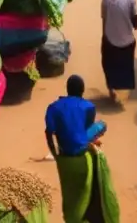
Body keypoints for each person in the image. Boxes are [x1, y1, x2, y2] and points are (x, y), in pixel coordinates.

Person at [44, 75, 119, 223]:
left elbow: (49, 132)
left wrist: (55, 154)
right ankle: (92, 142)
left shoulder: (53, 107)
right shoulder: (88, 106)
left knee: (69, 192)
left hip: (65, 152)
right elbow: (86, 127)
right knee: (102, 124)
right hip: (82, 149)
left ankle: (71, 217)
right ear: (82, 91)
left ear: (67, 89)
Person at [100, 0, 137, 104]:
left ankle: (111, 90)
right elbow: (136, 19)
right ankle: (123, 90)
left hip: (110, 39)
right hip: (127, 40)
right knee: (126, 67)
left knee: (109, 66)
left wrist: (104, 35)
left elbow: (104, 19)